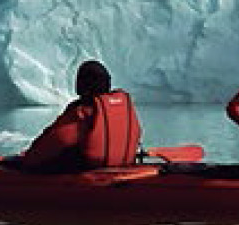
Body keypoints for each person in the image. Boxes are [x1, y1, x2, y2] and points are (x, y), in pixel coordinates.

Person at [13, 59, 144, 172]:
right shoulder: (122, 107)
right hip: (121, 167)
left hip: (87, 173)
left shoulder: (83, 112)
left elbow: (53, 142)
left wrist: (26, 160)